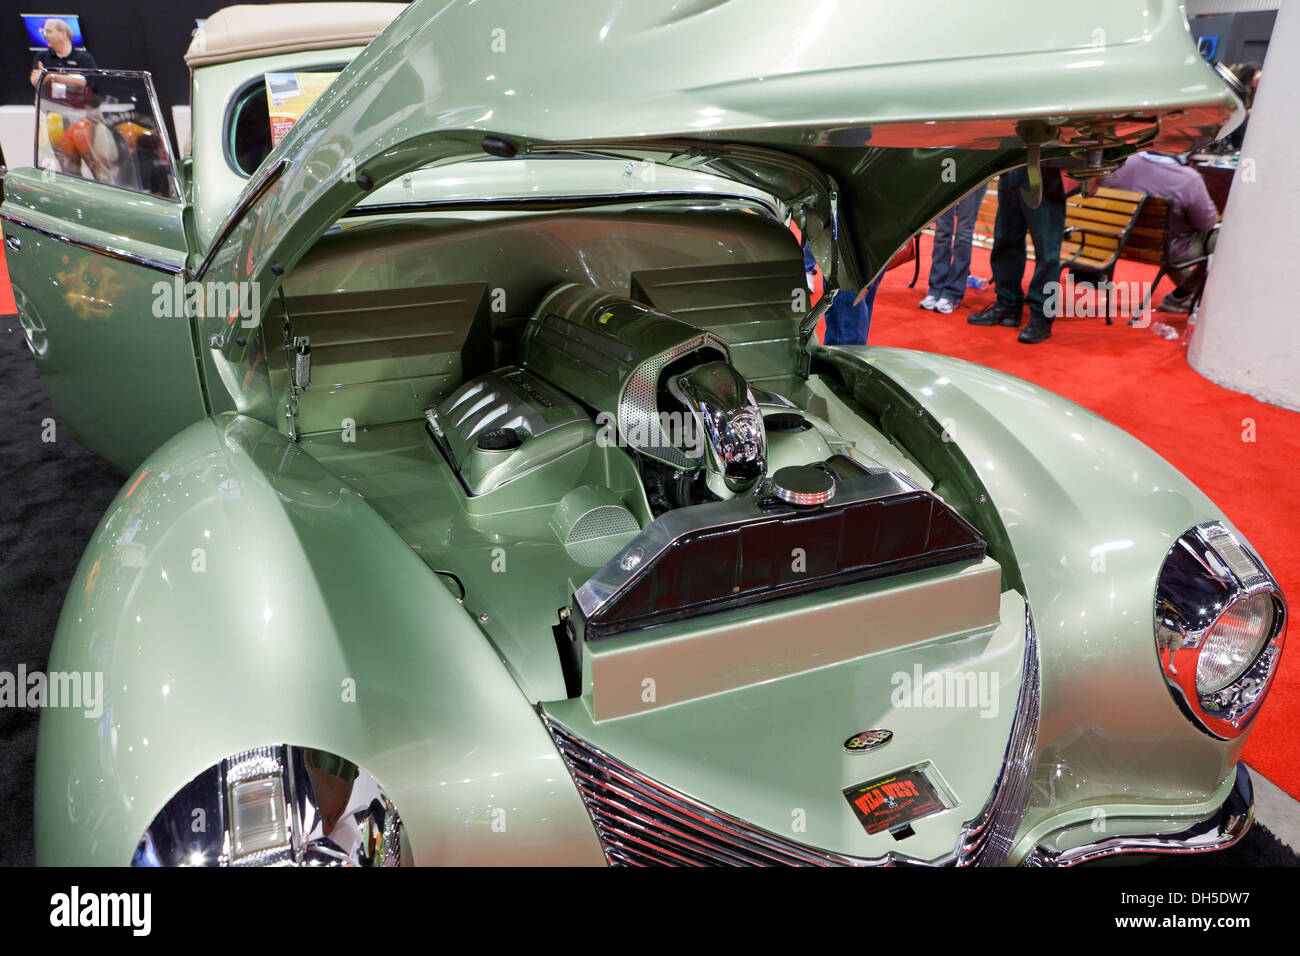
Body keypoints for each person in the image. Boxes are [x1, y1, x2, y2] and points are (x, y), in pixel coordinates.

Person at [1106, 151, 1219, 313]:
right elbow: (1207, 222)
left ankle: (1188, 295)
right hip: (1167, 249)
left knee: (1169, 237)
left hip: (1119, 243)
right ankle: (1182, 295)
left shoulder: (1120, 162)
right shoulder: (1188, 178)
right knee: (1220, 238)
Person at [968, 165, 1065, 344]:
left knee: (1047, 250)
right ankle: (1008, 304)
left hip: (1044, 167)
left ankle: (1042, 316)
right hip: (1012, 167)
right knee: (1005, 241)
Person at [920, 186, 985, 314]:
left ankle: (953, 293)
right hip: (947, 169)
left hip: (973, 169)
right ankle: (935, 288)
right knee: (942, 230)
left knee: (964, 233)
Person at [29, 19, 97, 98]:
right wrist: (40, 78)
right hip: (49, 106)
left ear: (63, 34)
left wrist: (51, 76)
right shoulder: (42, 56)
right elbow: (35, 80)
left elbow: (87, 82)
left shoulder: (84, 58)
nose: (45, 35)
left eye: (49, 31)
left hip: (78, 107)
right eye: (44, 32)